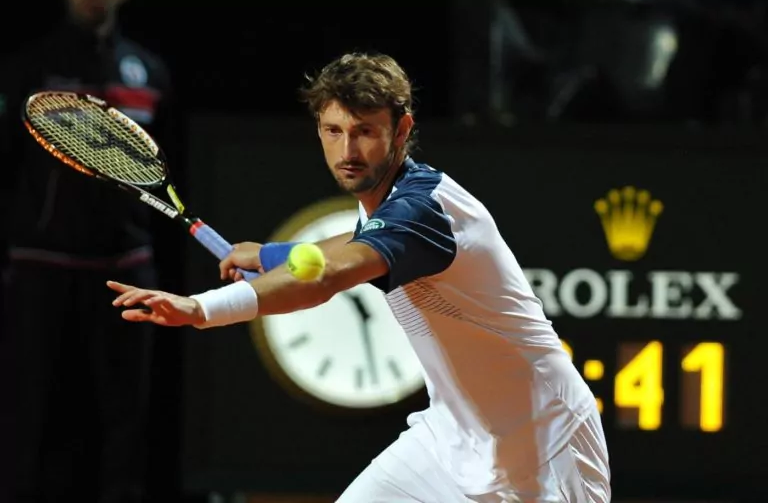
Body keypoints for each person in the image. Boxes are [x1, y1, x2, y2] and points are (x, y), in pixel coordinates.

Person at [107, 52, 611, 502]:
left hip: (545, 444)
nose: (347, 150)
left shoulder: (422, 211)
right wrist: (270, 254)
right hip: (450, 439)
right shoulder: (387, 203)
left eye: (365, 131)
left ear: (402, 129)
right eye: (334, 131)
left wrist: (202, 308)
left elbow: (325, 277)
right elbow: (350, 243)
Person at [0, 0, 175, 501]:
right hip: (40, 263)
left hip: (127, 263)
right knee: (25, 407)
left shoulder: (149, 71)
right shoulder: (29, 67)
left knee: (129, 410)